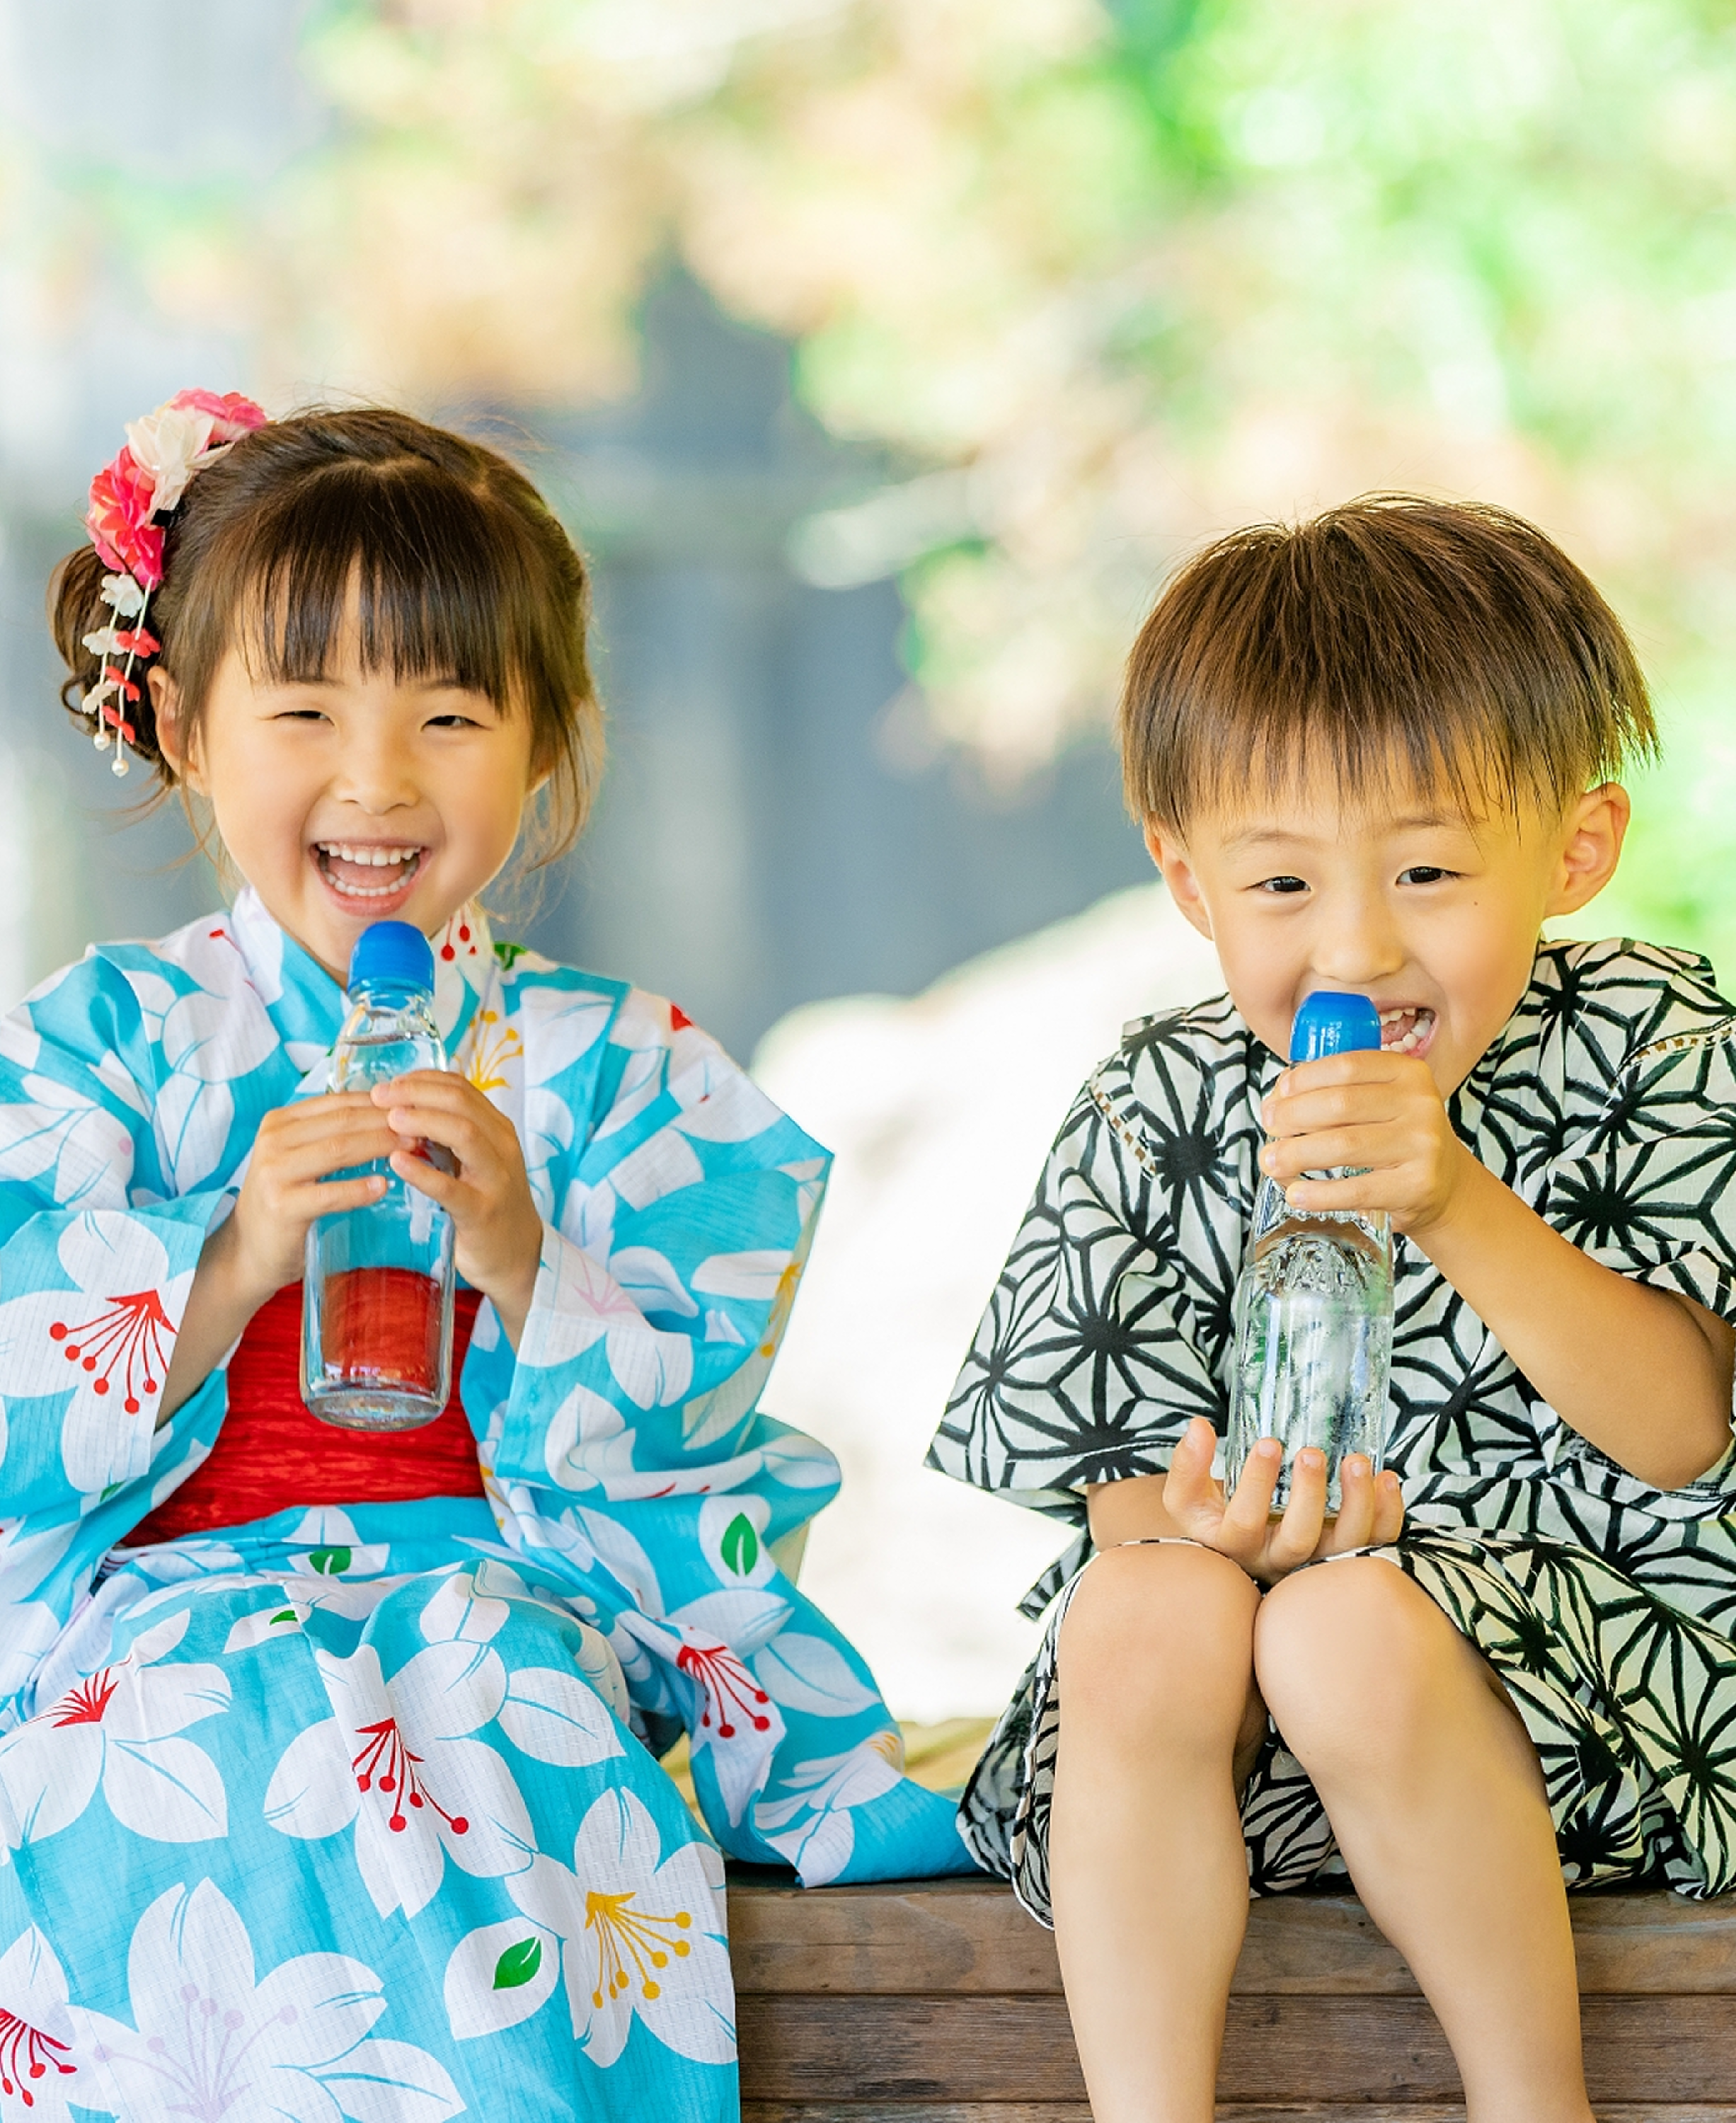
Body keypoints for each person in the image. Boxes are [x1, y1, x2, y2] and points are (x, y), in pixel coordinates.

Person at [0, 393, 971, 2123]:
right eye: (303, 710)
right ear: (179, 725)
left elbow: (683, 1424)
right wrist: (226, 1262)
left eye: (447, 713)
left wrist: (527, 1258)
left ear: (542, 746)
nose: (376, 779)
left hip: (501, 1586)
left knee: (492, 1723)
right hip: (154, 1615)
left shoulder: (626, 1070)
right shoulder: (100, 1045)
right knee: (166, 1742)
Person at [929, 495, 1736, 2123]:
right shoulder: (1159, 1094)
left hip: (1603, 1732)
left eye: (1427, 869)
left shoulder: (1659, 1041)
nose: (1355, 946)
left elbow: (1676, 1433)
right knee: (1153, 1611)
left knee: (1348, 1627)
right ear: (1184, 881)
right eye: (1280, 883)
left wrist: (1452, 1200)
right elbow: (1116, 1504)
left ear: (1572, 848)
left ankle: (1535, 2106)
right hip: (1242, 1776)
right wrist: (1211, 1529)